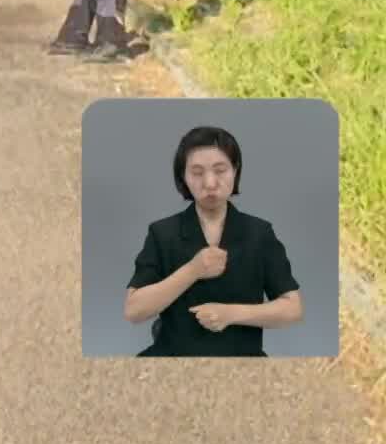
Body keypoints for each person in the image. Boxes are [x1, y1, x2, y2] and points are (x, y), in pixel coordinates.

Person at [123, 125, 304, 356]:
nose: (210, 183)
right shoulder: (163, 233)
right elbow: (134, 310)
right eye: (197, 173)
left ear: (235, 171)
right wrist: (193, 270)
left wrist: (231, 314)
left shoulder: (260, 233)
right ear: (183, 177)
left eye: (220, 170)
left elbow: (293, 307)